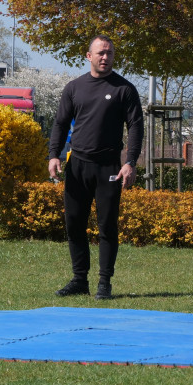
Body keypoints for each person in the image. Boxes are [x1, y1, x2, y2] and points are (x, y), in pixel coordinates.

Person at [49, 36, 144, 301]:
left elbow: (135, 126)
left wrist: (130, 162)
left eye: (110, 54)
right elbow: (60, 123)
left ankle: (105, 282)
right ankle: (80, 280)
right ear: (88, 56)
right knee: (74, 224)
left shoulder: (124, 89)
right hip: (77, 165)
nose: (105, 57)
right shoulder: (74, 88)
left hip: (109, 166)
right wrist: (54, 155)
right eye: (101, 53)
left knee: (107, 226)